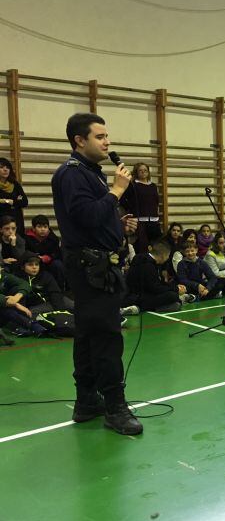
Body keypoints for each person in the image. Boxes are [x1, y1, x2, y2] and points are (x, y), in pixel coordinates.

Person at [50, 112, 142, 435]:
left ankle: (86, 400)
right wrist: (116, 191)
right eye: (99, 136)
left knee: (88, 334)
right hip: (89, 269)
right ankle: (115, 408)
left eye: (107, 136)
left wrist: (118, 225)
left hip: (96, 264)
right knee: (106, 336)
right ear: (79, 140)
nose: (107, 142)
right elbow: (85, 216)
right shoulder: (72, 174)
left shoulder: (90, 173)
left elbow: (94, 220)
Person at [124, 239, 192, 313]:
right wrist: (175, 289)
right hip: (138, 297)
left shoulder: (142, 258)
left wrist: (175, 287)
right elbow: (154, 288)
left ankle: (141, 308)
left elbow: (158, 283)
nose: (168, 258)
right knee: (173, 296)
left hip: (139, 294)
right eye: (168, 256)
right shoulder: (148, 265)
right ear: (163, 255)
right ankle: (139, 308)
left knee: (175, 304)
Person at [119, 162, 160, 254]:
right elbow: (122, 199)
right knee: (142, 249)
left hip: (154, 221)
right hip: (140, 222)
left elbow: (156, 201)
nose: (143, 172)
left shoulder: (153, 186)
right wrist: (131, 209)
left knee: (156, 248)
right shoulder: (133, 185)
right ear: (136, 172)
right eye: (140, 171)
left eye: (145, 170)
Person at [24, 214, 66, 288]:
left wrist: (49, 257)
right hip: (34, 262)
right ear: (33, 228)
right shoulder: (27, 238)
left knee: (58, 264)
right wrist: (36, 257)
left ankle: (59, 287)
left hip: (49, 262)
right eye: (39, 227)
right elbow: (25, 253)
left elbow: (58, 253)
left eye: (45, 227)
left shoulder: (53, 238)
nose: (43, 229)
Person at [0, 157, 28, 231]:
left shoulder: (15, 184)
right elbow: (19, 199)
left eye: (7, 167)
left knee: (19, 241)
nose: (5, 169)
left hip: (17, 221)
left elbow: (24, 201)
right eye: (1, 167)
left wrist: (10, 201)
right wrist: (15, 200)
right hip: (2, 223)